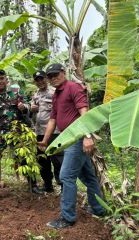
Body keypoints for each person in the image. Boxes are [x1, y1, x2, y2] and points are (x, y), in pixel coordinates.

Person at [38, 63, 105, 229]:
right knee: (89, 177)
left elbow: (84, 113)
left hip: (77, 138)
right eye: (50, 76)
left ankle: (67, 218)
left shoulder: (73, 87)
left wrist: (87, 136)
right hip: (67, 139)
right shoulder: (56, 95)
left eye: (56, 74)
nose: (53, 78)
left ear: (64, 72)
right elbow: (53, 119)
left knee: (66, 176)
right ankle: (99, 209)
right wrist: (46, 140)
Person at [30, 70, 63, 192]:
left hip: (54, 132)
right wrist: (32, 108)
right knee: (43, 160)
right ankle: (48, 185)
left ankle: (62, 185)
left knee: (57, 159)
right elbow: (33, 112)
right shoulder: (36, 94)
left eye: (42, 79)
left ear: (46, 79)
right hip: (39, 132)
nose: (40, 82)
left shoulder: (54, 92)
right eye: (37, 80)